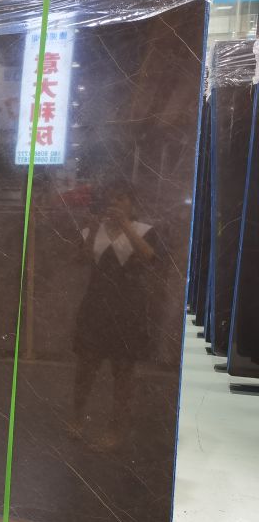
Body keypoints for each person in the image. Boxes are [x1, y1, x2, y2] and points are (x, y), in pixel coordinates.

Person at [71, 181, 159, 451]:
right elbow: (81, 260)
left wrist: (125, 226)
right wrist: (93, 230)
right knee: (85, 368)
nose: (115, 204)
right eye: (110, 199)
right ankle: (76, 418)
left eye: (121, 199)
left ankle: (115, 430)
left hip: (127, 310)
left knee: (122, 374)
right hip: (95, 308)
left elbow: (150, 257)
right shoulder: (94, 229)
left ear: (132, 203)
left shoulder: (144, 230)